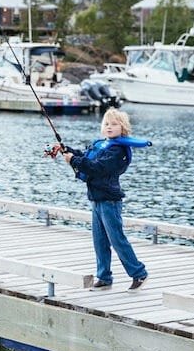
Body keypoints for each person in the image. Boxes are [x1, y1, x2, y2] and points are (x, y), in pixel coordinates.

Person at [51, 108, 151, 291]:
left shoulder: (118, 151)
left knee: (116, 239)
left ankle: (139, 273)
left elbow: (98, 167)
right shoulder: (102, 144)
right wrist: (67, 151)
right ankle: (104, 276)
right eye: (106, 124)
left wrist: (73, 161)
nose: (109, 127)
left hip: (109, 201)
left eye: (114, 124)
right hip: (96, 199)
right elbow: (85, 156)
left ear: (123, 128)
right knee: (99, 241)